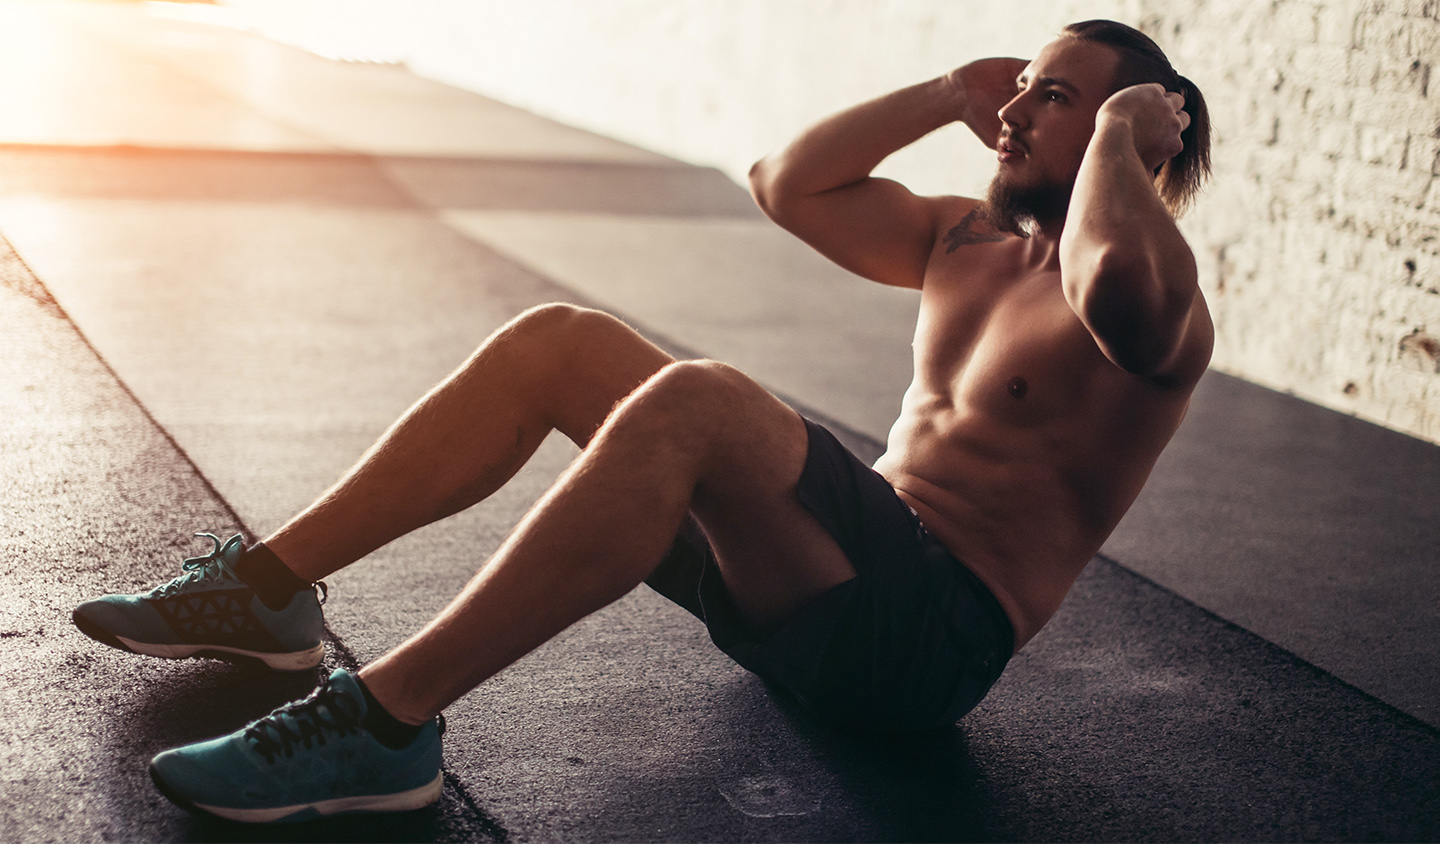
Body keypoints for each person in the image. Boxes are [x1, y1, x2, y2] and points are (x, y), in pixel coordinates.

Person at [72, 19, 1213, 823]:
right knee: (561, 340)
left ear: (1133, 134)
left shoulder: (1159, 298)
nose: (1016, 109)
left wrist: (1118, 131)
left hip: (919, 650)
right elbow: (785, 182)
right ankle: (271, 586)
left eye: (1049, 96)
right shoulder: (966, 239)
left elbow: (1111, 288)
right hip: (817, 587)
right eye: (1025, 87)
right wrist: (944, 96)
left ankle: (379, 724)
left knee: (699, 401)